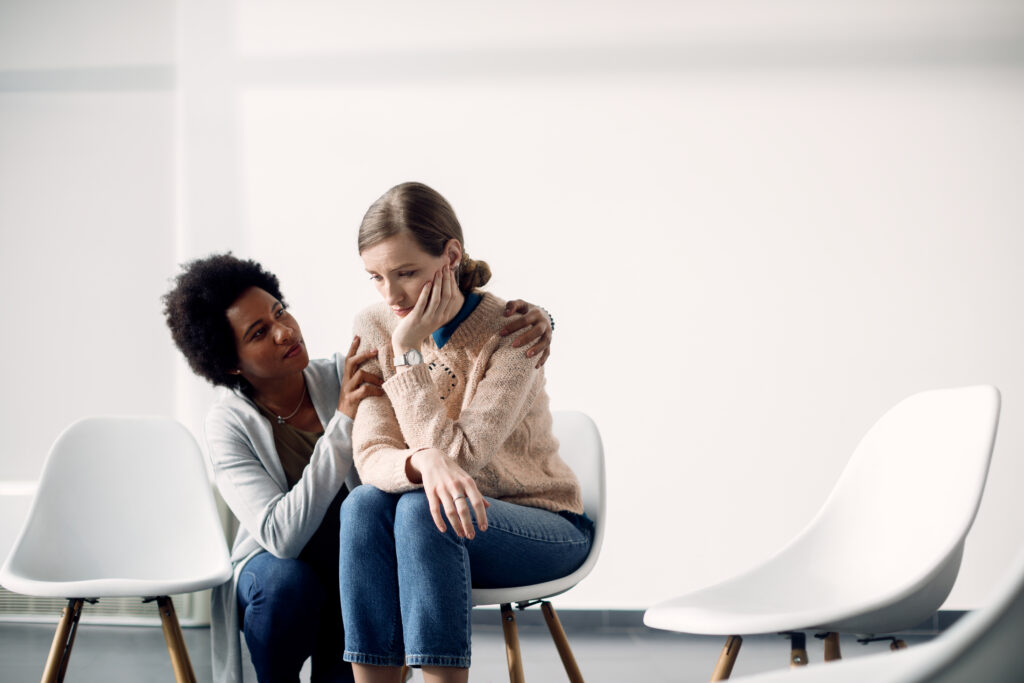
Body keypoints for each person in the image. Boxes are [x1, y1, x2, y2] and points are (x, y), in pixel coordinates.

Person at [162, 253, 554, 683]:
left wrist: (538, 320)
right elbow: (281, 537)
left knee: (363, 541)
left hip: (354, 565)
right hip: (278, 571)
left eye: (280, 312)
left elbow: (435, 361)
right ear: (231, 363)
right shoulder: (228, 423)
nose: (284, 332)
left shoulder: (346, 372)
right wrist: (343, 420)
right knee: (285, 585)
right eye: (259, 333)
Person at [340, 182, 594, 683]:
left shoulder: (514, 331)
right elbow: (371, 454)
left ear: (451, 256)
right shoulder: (373, 325)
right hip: (443, 521)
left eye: (406, 273)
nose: (391, 295)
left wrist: (408, 352)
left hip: (541, 524)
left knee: (422, 510)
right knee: (363, 505)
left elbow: (462, 459)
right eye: (376, 277)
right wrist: (423, 460)